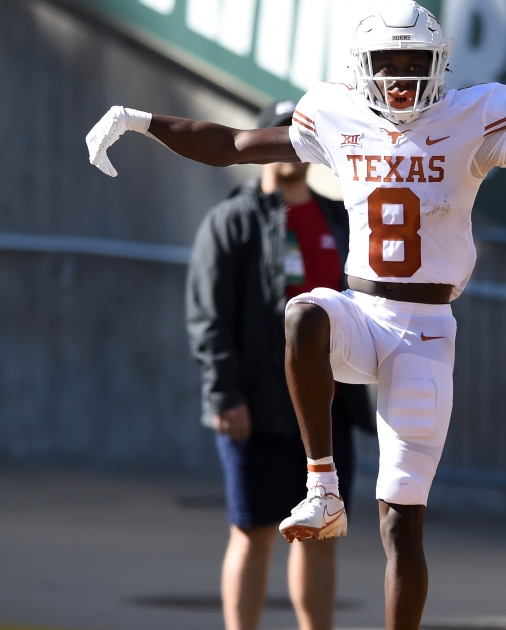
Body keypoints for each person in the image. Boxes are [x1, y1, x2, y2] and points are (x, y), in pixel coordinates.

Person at [86, 2, 506, 626]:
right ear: (361, 67)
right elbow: (235, 144)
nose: (401, 75)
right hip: (361, 311)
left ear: (441, 64)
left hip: (426, 333)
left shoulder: (470, 118)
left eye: (415, 62)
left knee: (401, 526)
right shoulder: (338, 113)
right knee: (303, 317)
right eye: (388, 62)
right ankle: (322, 487)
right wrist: (140, 118)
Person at [186, 99, 374, 630]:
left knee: (322, 533)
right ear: (263, 142)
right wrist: (224, 395)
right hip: (258, 407)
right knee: (253, 531)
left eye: (299, 134)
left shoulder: (340, 219)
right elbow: (207, 316)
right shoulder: (232, 221)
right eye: (280, 132)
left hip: (328, 412)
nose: (290, 143)